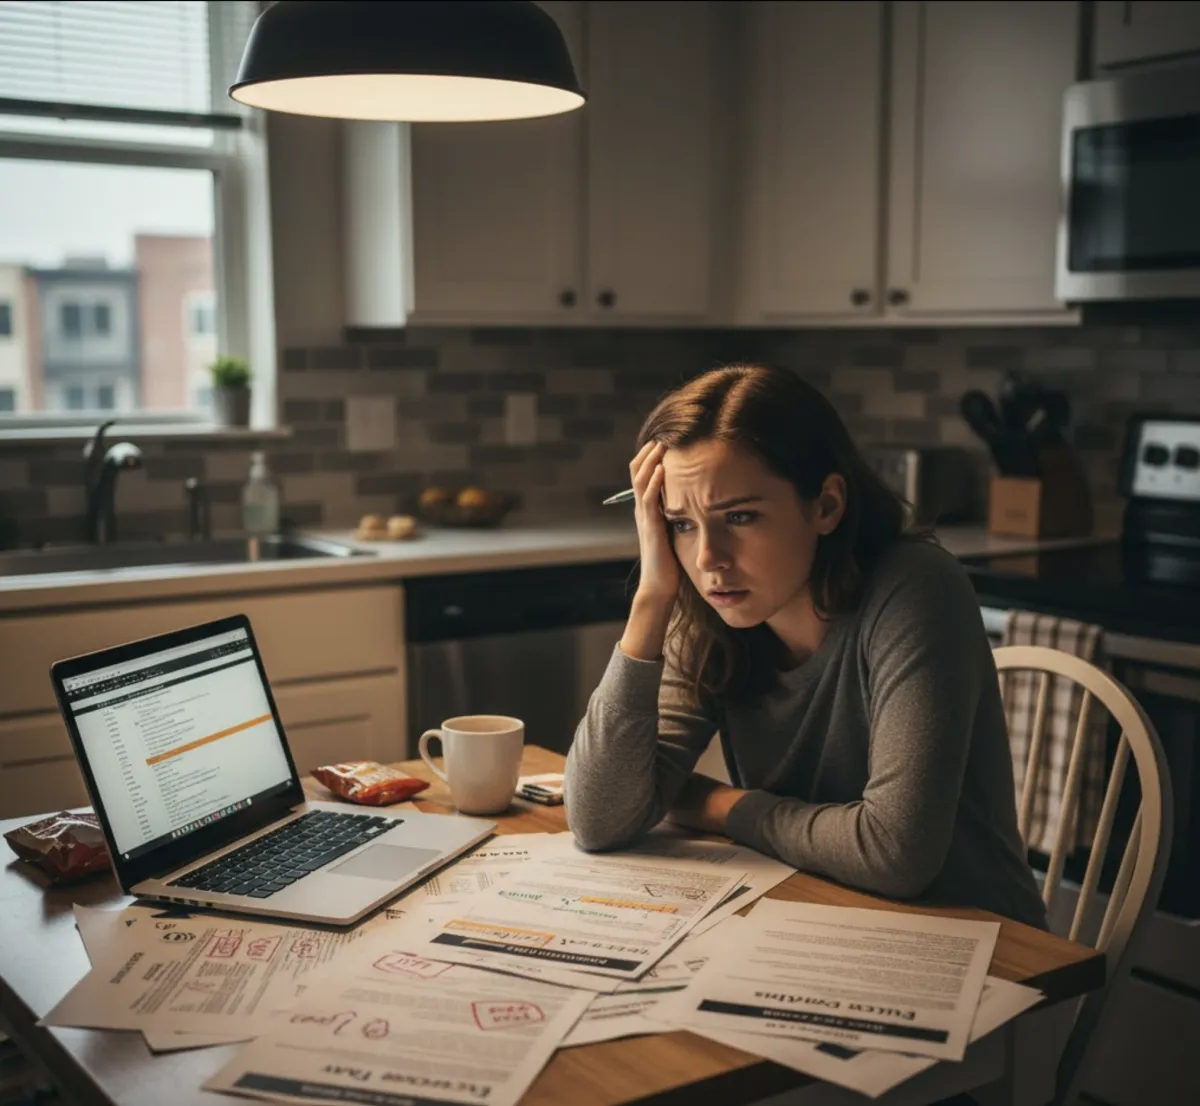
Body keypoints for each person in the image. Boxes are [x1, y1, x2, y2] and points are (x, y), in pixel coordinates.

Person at [564, 363, 1046, 928]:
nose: (707, 559)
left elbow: (894, 855)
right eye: (681, 524)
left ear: (826, 506)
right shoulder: (709, 611)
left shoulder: (916, 589)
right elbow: (598, 818)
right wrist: (651, 597)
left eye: (739, 516)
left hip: (975, 941)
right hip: (815, 916)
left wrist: (719, 806)